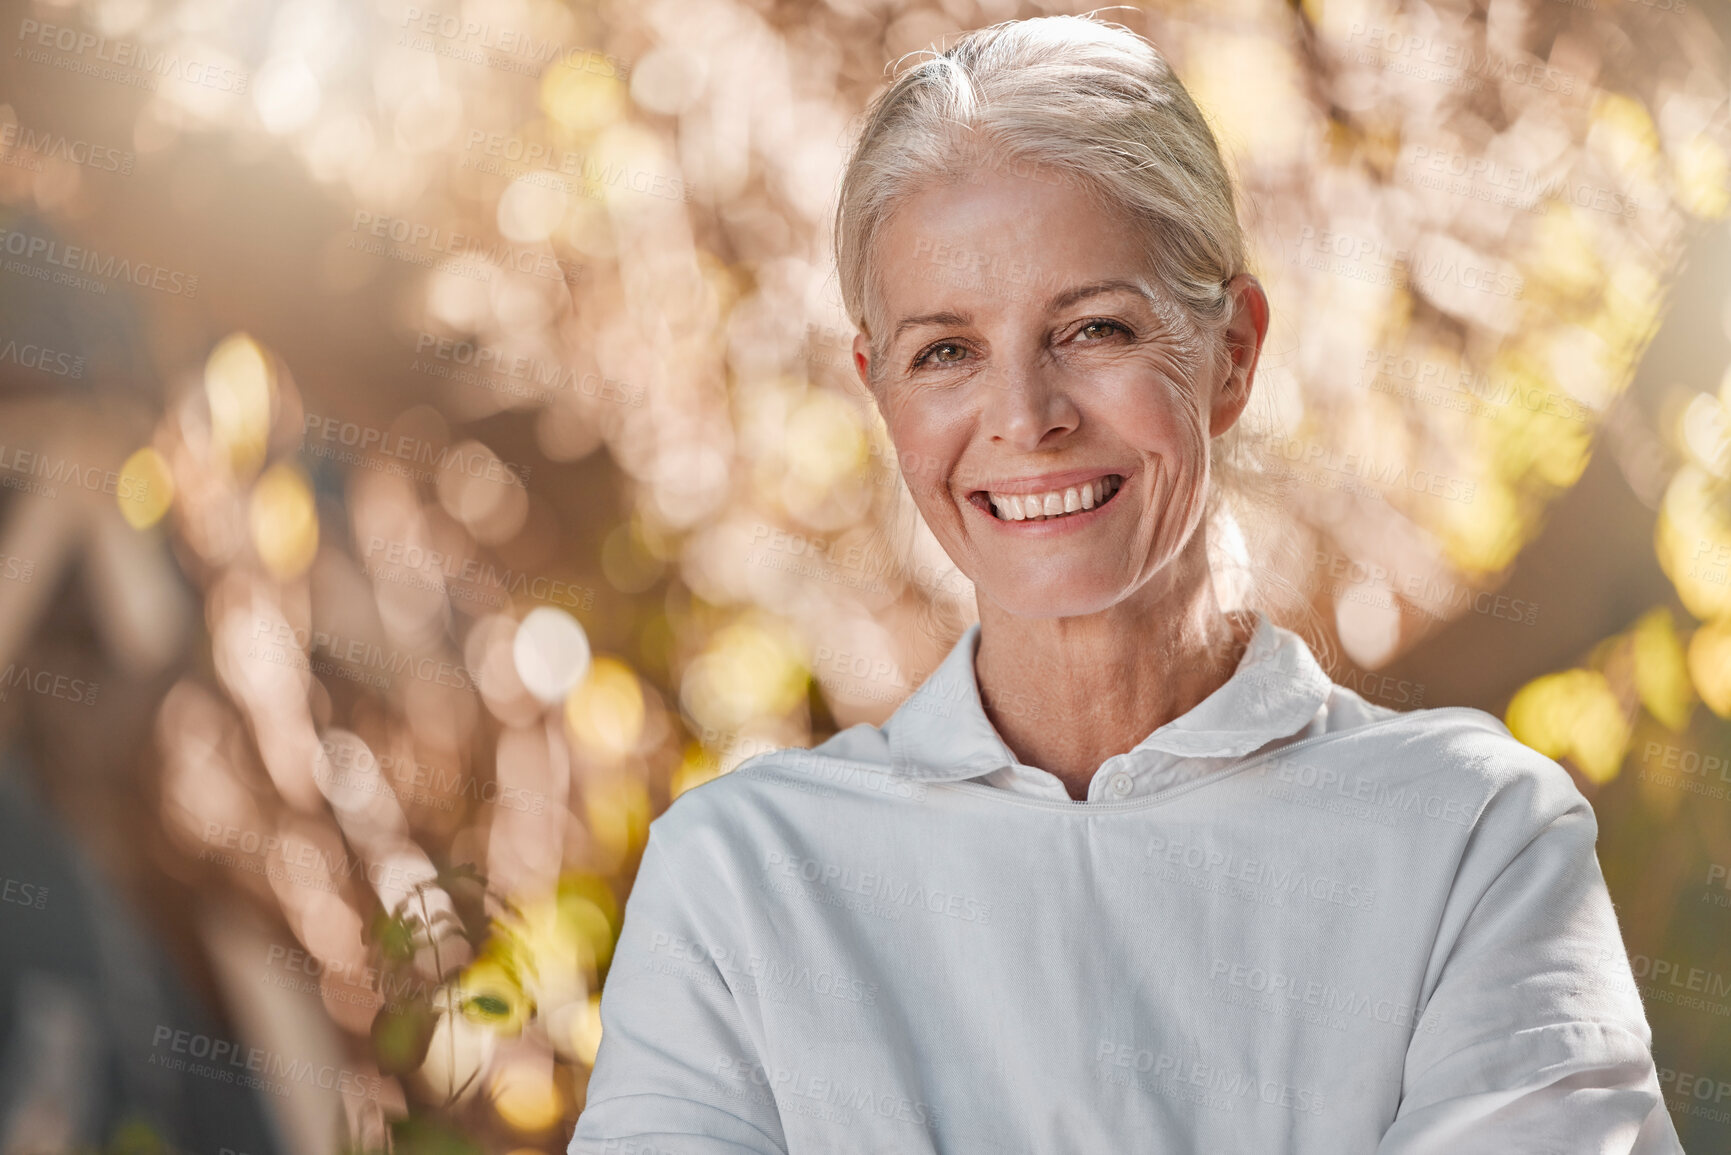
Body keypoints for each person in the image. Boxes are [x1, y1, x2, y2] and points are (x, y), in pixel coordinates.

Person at [571, 14, 1679, 1152]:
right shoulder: (740, 883)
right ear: (878, 385)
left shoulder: (1471, 842)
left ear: (1234, 352)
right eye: (945, 351)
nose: (1026, 419)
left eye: (1095, 328)